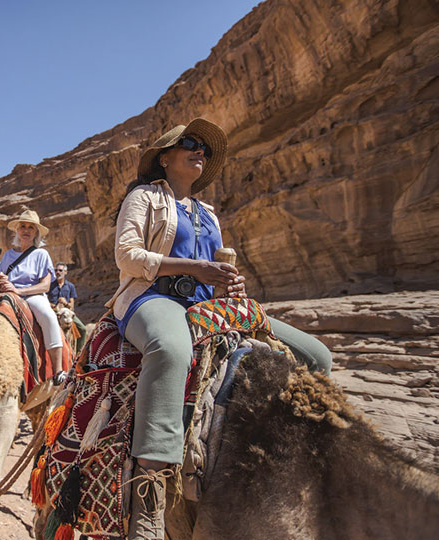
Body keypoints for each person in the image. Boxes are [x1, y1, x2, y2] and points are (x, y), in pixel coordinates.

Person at [107, 118, 332, 539]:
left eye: (204, 149)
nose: (200, 152)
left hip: (209, 304)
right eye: (190, 144)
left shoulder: (207, 212)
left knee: (315, 355)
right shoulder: (144, 197)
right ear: (165, 158)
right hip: (152, 296)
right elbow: (128, 256)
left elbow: (216, 267)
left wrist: (231, 280)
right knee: (172, 349)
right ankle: (149, 491)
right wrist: (197, 268)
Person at [0, 210, 66, 382]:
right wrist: (0, 282)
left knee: (49, 317)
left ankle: (59, 370)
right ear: (17, 230)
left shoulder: (41, 254)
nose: (26, 230)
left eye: (31, 227)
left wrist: (19, 291)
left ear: (36, 232)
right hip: (7, 296)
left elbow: (45, 285)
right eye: (22, 226)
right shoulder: (8, 255)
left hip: (32, 296)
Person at [48, 263, 87, 353]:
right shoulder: (50, 285)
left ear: (65, 272)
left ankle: (79, 353)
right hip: (54, 312)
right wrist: (51, 305)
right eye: (56, 270)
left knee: (83, 329)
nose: (58, 272)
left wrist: (65, 303)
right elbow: (44, 300)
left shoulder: (70, 286)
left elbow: (71, 305)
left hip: (67, 313)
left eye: (60, 270)